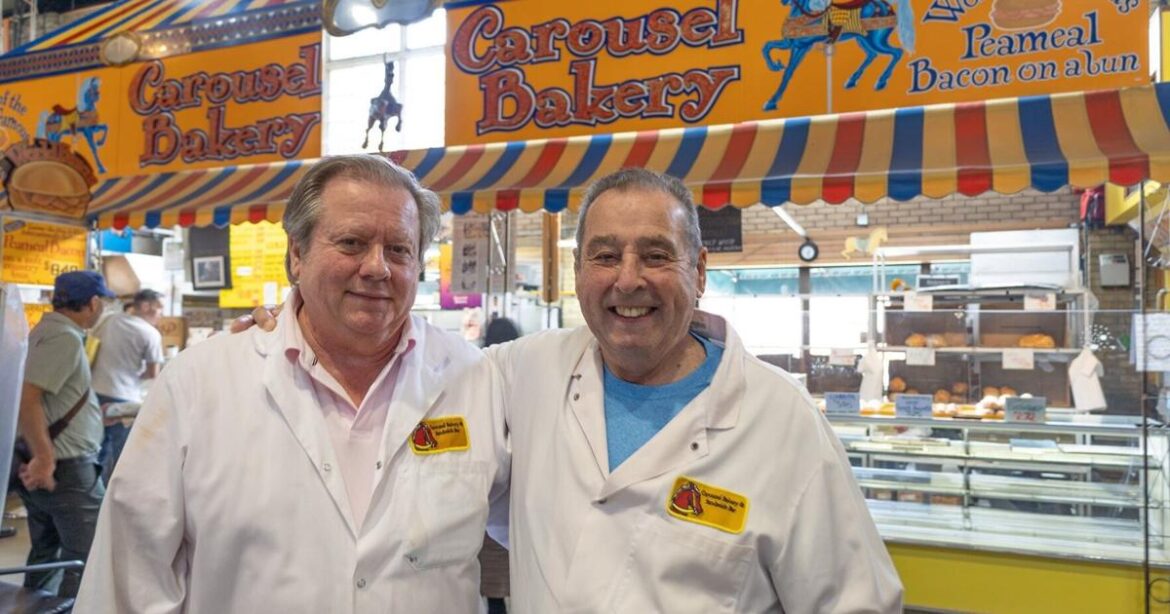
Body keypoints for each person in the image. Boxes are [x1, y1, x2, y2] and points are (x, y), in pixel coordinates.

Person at [238, 168, 903, 612]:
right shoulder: (516, 374)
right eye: (606, 256)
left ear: (699, 272)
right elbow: (392, 377)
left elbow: (855, 601)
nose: (629, 279)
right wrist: (293, 322)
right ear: (580, 270)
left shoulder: (778, 419)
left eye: (657, 255)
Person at [75, 155, 509, 612]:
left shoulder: (475, 378)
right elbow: (127, 580)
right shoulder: (199, 384)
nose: (377, 267)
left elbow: (544, 520)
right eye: (351, 243)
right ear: (297, 255)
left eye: (399, 249)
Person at [17, 270, 113, 598]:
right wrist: (44, 457)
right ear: (93, 303)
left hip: (52, 460)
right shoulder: (64, 338)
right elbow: (28, 397)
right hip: (67, 467)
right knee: (87, 556)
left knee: (48, 552)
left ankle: (33, 606)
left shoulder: (44, 331)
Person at [90, 288, 165, 482]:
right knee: (121, 454)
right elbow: (153, 373)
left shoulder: (110, 320)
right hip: (124, 399)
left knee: (97, 450)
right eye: (159, 309)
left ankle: (94, 493)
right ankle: (111, 500)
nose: (161, 314)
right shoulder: (150, 333)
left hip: (94, 393)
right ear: (146, 306)